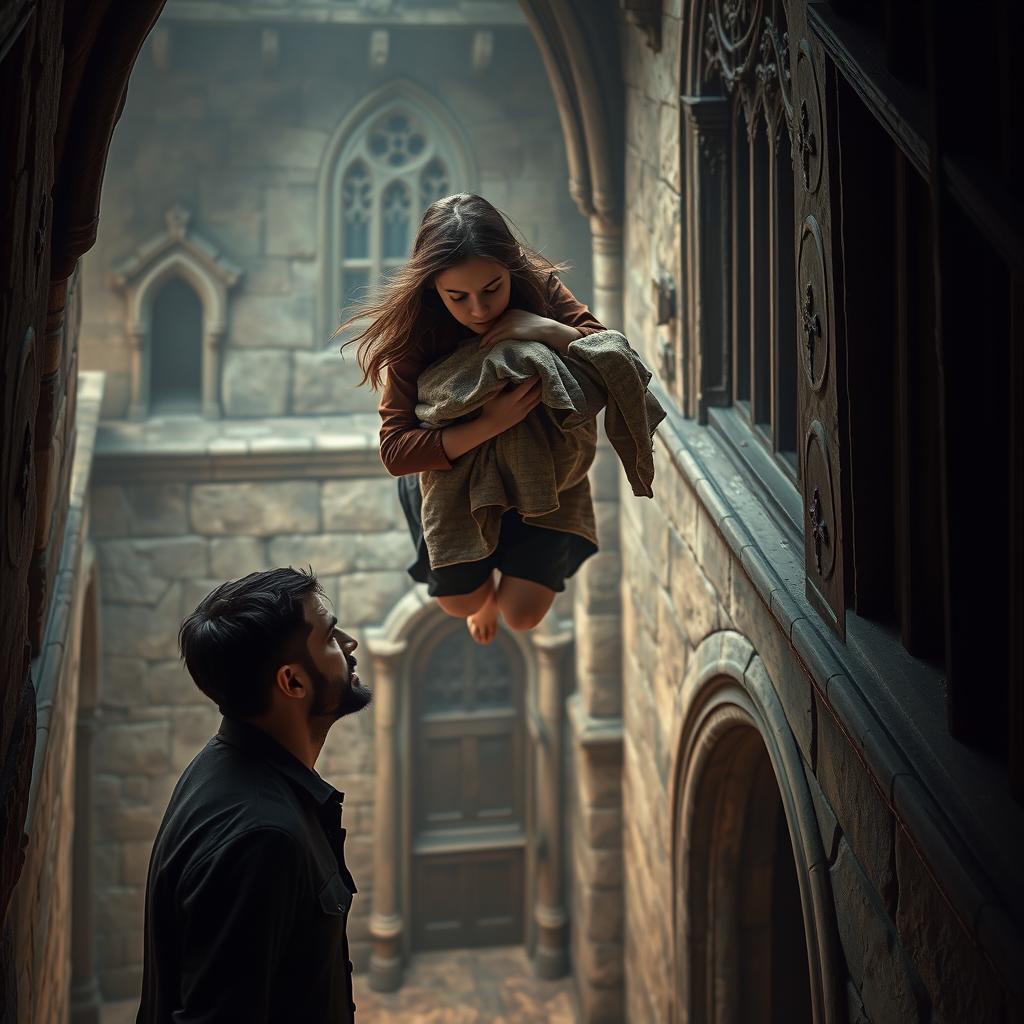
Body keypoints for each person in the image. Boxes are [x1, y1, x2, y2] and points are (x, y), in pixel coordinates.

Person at [342, 192, 607, 645]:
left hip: (543, 472)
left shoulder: (537, 286)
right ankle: (477, 593)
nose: (480, 311)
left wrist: (541, 327)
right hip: (455, 477)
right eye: (457, 297)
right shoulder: (415, 331)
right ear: (433, 289)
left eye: (492, 289)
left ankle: (502, 575)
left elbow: (608, 355)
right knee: (462, 601)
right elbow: (395, 450)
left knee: (523, 616)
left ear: (511, 269)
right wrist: (491, 422)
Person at [137, 567, 371, 1024]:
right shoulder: (264, 838)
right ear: (293, 682)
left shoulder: (223, 768)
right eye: (328, 636)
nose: (349, 644)